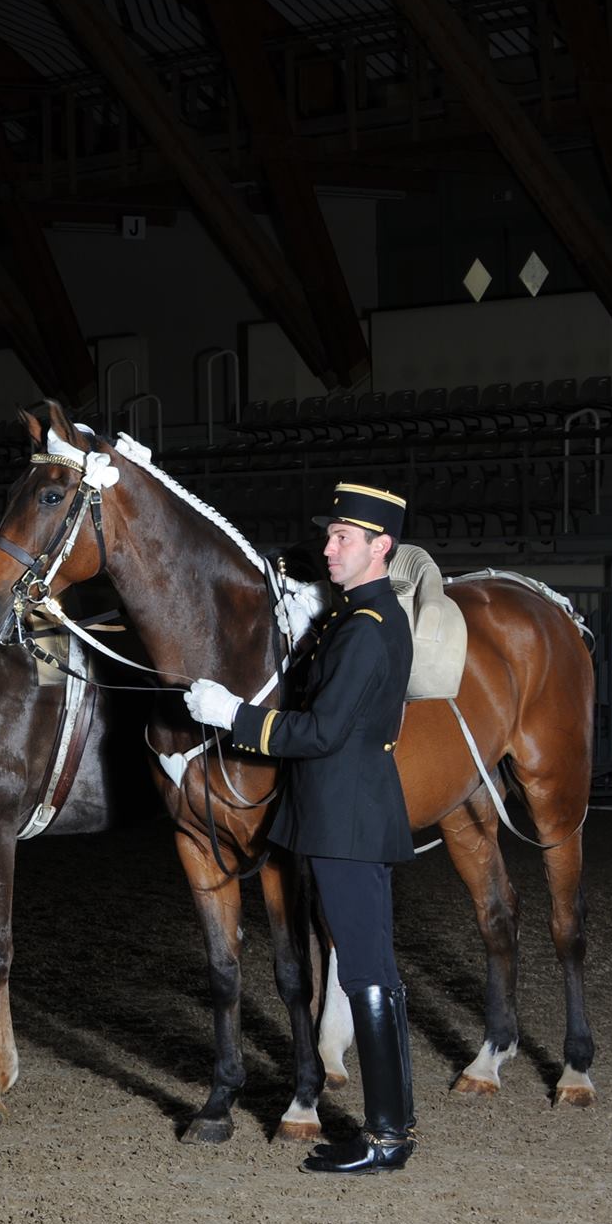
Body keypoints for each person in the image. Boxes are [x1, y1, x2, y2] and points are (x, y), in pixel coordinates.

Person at [184, 481, 418, 1175]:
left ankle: (385, 1135)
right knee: (372, 972)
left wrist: (235, 718)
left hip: (346, 822)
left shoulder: (369, 631)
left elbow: (318, 733)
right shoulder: (352, 618)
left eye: (343, 538)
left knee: (370, 974)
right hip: (339, 818)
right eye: (330, 536)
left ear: (382, 547)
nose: (328, 547)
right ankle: (392, 1125)